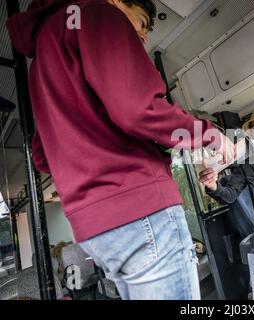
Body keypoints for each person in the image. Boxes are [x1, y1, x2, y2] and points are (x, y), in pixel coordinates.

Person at [7, 0, 234, 300]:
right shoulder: (97, 11)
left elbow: (42, 156)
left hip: (94, 231)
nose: (142, 36)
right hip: (142, 211)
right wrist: (210, 134)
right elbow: (138, 110)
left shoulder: (40, 65)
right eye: (141, 22)